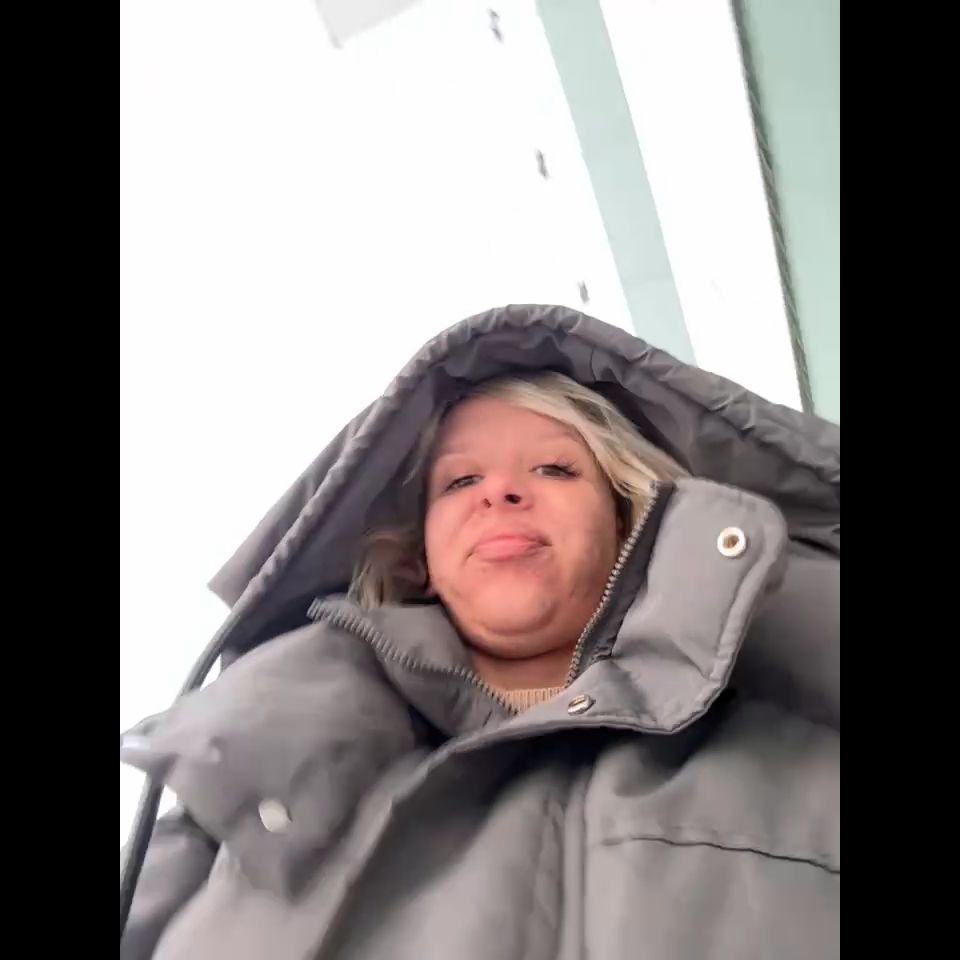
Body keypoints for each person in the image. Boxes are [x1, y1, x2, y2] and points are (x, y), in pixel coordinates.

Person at [120, 305, 840, 960]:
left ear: (630, 523)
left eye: (555, 468)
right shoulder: (249, 780)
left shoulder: (800, 724)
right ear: (420, 558)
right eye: (460, 482)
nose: (501, 490)